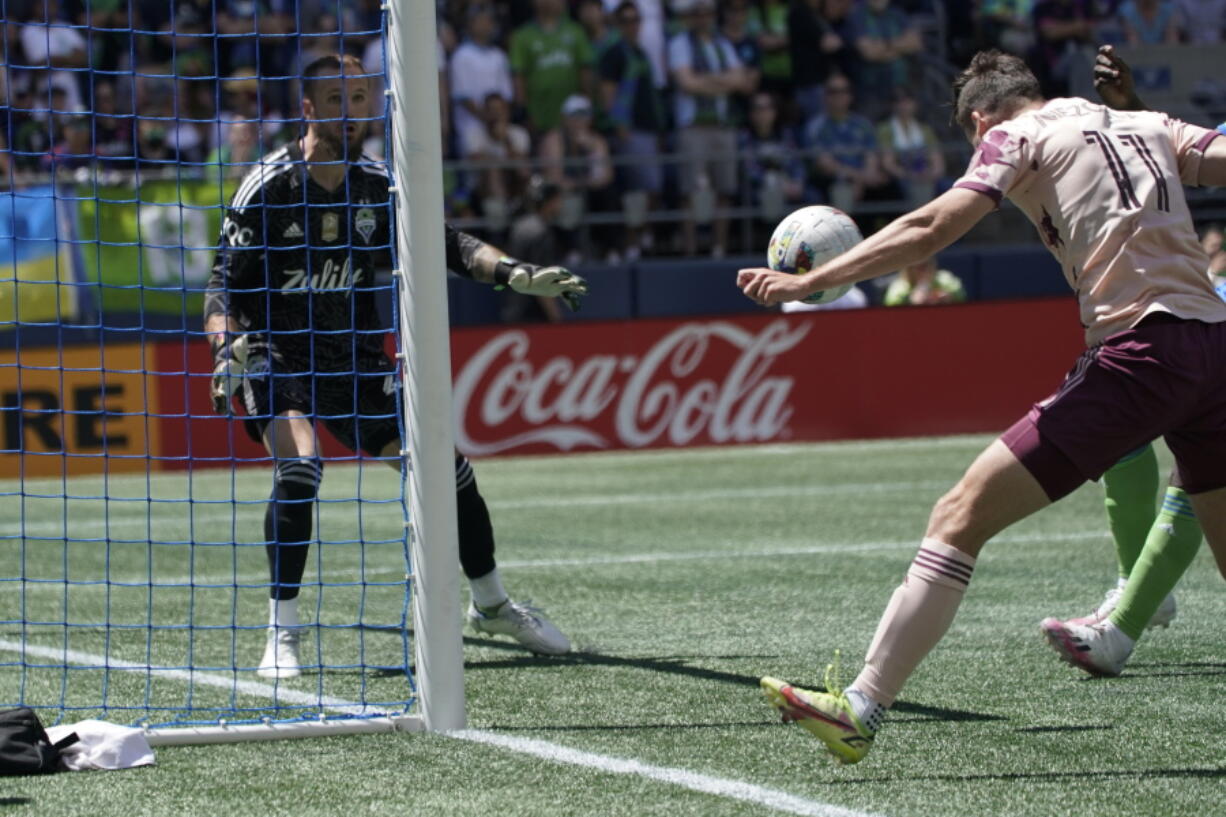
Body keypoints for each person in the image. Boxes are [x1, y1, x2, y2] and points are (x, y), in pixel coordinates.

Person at [736, 49, 1226, 764]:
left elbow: (929, 228)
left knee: (959, 514)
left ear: (978, 119)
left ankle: (863, 705)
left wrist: (814, 284)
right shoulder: (1144, 121)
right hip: (1215, 351)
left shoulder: (1014, 136)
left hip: (1139, 353)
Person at [203, 55, 589, 679]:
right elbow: (221, 286)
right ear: (308, 108)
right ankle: (283, 631)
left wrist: (514, 272)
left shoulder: (378, 184)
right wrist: (224, 352)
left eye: (360, 98)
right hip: (274, 352)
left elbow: (449, 244)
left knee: (447, 468)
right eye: (336, 100)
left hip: (354, 358)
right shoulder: (268, 186)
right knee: (301, 465)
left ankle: (491, 604)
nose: (352, 112)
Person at [1038, 45, 1226, 677]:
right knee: (1147, 431)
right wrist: (1133, 111)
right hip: (1204, 305)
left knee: (1202, 463)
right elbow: (1188, 162)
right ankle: (1135, 594)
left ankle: (1125, 621)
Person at [882, 256, 965, 306]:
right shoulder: (900, 286)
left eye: (926, 266)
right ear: (909, 269)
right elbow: (891, 306)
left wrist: (950, 297)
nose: (923, 271)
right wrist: (910, 301)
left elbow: (962, 297)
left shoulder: (945, 279)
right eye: (919, 267)